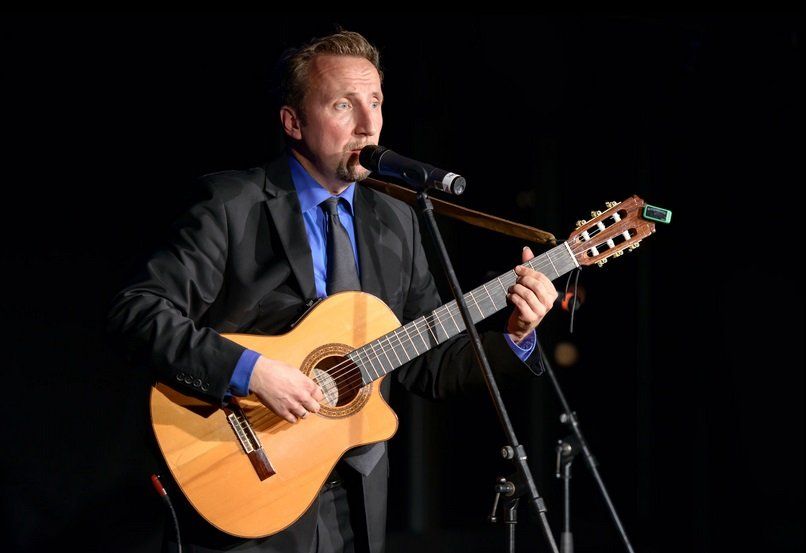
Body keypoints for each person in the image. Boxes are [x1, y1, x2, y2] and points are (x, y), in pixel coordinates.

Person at [107, 29, 558, 553]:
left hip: (355, 502)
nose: (368, 124)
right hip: (247, 483)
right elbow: (137, 312)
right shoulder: (232, 205)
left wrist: (516, 335)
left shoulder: (397, 221)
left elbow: (427, 365)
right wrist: (253, 371)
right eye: (344, 105)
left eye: (375, 102)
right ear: (293, 122)